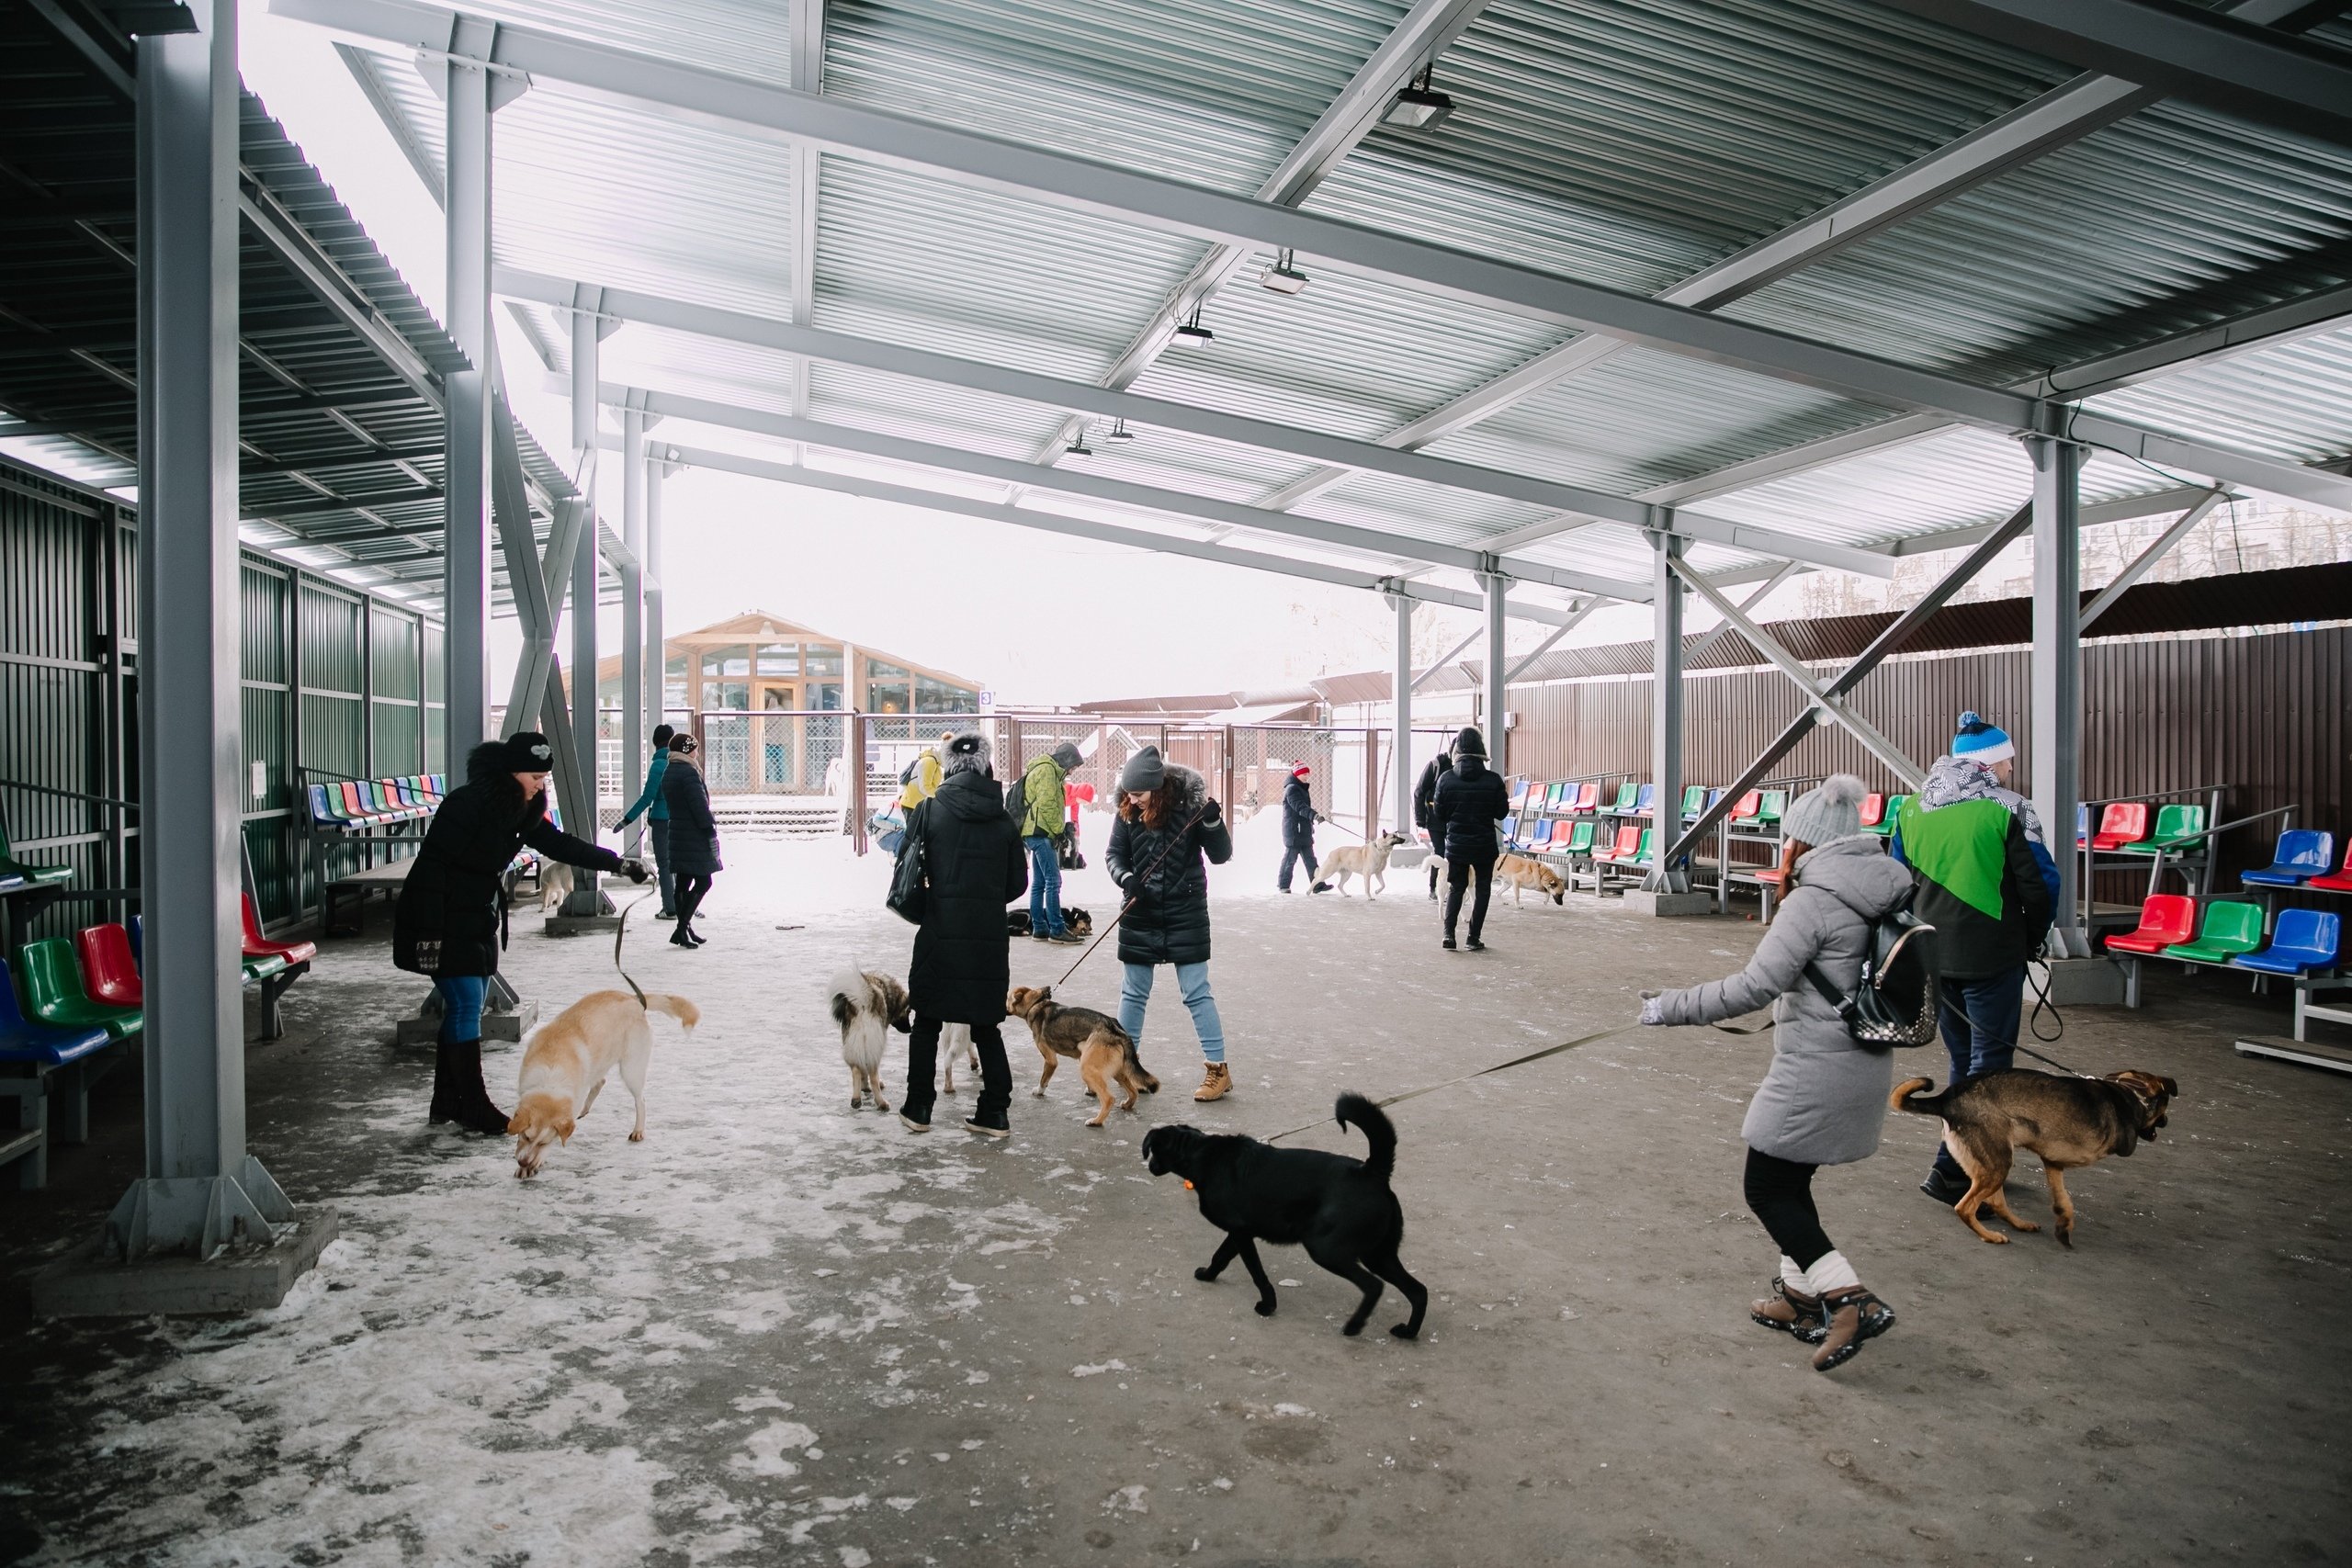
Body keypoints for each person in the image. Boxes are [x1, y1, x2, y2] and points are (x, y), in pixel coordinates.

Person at [1637, 775, 1908, 1372]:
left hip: (1817, 1070)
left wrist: (1667, 1006)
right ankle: (1801, 1298)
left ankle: (1848, 1298)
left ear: (1805, 841)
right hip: (1862, 1060)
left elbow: (1753, 987)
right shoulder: (1882, 887)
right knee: (1789, 1182)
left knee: (1764, 1186)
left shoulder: (1812, 900)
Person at [393, 731, 647, 1134]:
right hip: (440, 916)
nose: (540, 785)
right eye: (534, 776)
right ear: (510, 772)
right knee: (465, 1003)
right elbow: (431, 868)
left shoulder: (521, 809)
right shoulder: (467, 804)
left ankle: (446, 1102)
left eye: (544, 779)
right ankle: (472, 1106)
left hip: (474, 915)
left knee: (465, 1005)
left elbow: (562, 845)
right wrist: (428, 934)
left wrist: (617, 865)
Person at [1891, 710, 2059, 1205]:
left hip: (1935, 958)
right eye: (2009, 760)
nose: (2011, 768)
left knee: (1966, 1061)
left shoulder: (1911, 808)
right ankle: (1950, 1171)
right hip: (1991, 957)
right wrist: (2032, 939)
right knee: (1989, 1068)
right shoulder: (2009, 809)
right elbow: (2041, 884)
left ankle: (1966, 1167)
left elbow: (1898, 885)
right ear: (1994, 762)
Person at [900, 731, 1027, 1138]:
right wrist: (986, 899)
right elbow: (1017, 886)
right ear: (986, 768)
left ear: (949, 768)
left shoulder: (931, 810)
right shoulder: (1005, 820)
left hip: (939, 933)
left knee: (926, 1023)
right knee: (987, 1025)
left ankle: (919, 1107)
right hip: (988, 940)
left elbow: (905, 866)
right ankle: (995, 1112)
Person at [1106, 744, 1237, 1101]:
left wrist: (1212, 821)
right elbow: (1114, 854)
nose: (1133, 801)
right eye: (1129, 794)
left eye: (1139, 794)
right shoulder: (1127, 811)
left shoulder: (1190, 808)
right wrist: (1126, 877)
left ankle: (1218, 1070)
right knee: (1133, 992)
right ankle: (1125, 1067)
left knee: (1196, 991)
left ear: (1158, 788)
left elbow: (1221, 855)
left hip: (1185, 913)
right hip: (1140, 911)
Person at [1428, 726, 1508, 952]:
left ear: (1457, 749)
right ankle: (1473, 937)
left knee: (1457, 887)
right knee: (1482, 889)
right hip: (1484, 845)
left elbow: (1440, 814)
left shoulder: (1445, 779)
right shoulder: (1493, 780)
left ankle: (1448, 935)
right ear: (1481, 749)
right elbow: (1501, 812)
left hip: (1457, 845)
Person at [1018, 740, 1085, 944]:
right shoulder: (1047, 771)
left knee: (1040, 882)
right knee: (1053, 881)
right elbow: (1048, 805)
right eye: (1072, 766)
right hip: (1040, 832)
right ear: (1065, 760)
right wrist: (1058, 830)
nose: (1072, 771)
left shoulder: (1048, 770)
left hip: (1035, 831)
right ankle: (1057, 929)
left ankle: (1039, 927)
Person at [660, 731, 723, 949]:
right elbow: (699, 805)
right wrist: (709, 829)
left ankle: (684, 929)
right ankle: (681, 929)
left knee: (684, 882)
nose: (697, 751)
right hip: (693, 834)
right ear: (688, 750)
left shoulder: (670, 770)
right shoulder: (688, 772)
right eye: (695, 747)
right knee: (704, 881)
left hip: (677, 831)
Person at [616, 722, 676, 918]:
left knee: (665, 866)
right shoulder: (680, 762)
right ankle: (683, 904)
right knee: (678, 864)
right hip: (680, 820)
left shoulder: (658, 765)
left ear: (655, 743)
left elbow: (647, 798)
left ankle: (670, 908)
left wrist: (627, 820)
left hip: (661, 821)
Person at [1414, 750, 1454, 900]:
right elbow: (1419, 791)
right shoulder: (1435, 766)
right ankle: (1434, 888)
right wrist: (1420, 818)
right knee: (1440, 851)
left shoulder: (1462, 767)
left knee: (1454, 852)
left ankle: (1453, 886)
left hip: (1454, 817)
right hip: (1435, 816)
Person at [1278, 762, 1324, 894]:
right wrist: (1314, 815)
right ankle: (1283, 885)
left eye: (1307, 774)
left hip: (1302, 830)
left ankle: (1317, 885)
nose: (1306, 777)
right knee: (1290, 859)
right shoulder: (1292, 789)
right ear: (1297, 774)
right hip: (1294, 831)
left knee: (1311, 859)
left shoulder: (1300, 787)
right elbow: (1299, 807)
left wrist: (1311, 823)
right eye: (1304, 774)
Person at [898, 730, 954, 814]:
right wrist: (940, 797)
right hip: (912, 806)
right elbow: (925, 787)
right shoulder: (930, 762)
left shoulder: (935, 764)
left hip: (916, 804)